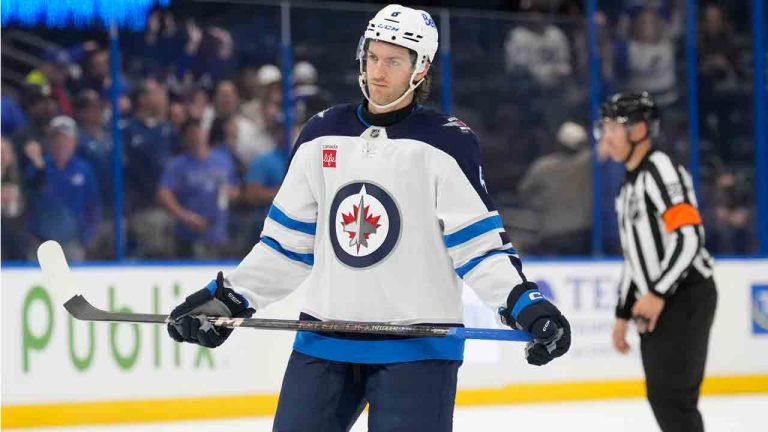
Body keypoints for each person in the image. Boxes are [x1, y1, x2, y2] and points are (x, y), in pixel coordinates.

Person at [166, 5, 571, 432]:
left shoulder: (448, 143)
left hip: (418, 348)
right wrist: (231, 298)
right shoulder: (321, 133)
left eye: (393, 61)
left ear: (421, 67)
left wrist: (523, 303)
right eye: (373, 57)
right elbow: (287, 245)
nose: (378, 72)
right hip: (325, 341)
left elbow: (478, 248)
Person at [597, 92, 717, 432]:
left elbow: (690, 237)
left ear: (638, 130)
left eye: (613, 128)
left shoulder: (661, 171)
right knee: (663, 396)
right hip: (660, 300)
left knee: (673, 398)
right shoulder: (627, 187)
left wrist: (658, 293)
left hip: (686, 296)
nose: (606, 136)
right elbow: (634, 259)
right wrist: (622, 314)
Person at [157, 120, 239, 258]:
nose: (197, 136)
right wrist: (183, 215)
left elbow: (235, 188)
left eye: (199, 131)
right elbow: (164, 192)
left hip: (218, 230)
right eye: (192, 133)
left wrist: (232, 193)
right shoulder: (178, 165)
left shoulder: (222, 160)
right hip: (189, 233)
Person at [24, 116, 101, 261]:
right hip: (40, 244)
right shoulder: (37, 168)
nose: (61, 143)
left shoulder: (83, 170)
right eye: (56, 139)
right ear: (49, 141)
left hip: (72, 243)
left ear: (74, 142)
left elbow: (93, 205)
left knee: (73, 281)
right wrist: (39, 168)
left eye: (66, 139)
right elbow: (31, 197)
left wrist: (86, 237)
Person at [517, 121, 592, 255]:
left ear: (558, 143)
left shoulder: (542, 167)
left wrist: (539, 204)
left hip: (552, 233)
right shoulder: (589, 163)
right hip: (581, 235)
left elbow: (524, 193)